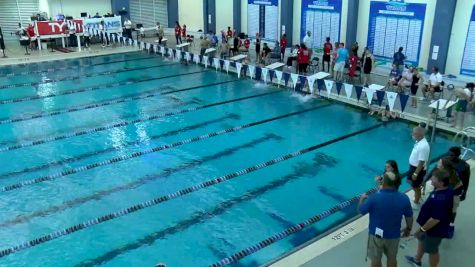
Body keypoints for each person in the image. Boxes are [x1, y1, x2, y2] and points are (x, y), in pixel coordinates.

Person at [359, 171, 413, 267]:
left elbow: (361, 211)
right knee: (392, 259)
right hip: (394, 235)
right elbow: (409, 217)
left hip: (376, 236)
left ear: (383, 183)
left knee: (375, 259)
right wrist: (408, 228)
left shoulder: (374, 198)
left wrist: (362, 199)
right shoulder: (404, 198)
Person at [406, 170, 453, 267]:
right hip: (426, 227)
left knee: (432, 251)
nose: (431, 178)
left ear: (441, 182)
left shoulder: (441, 199)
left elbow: (435, 219)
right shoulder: (443, 189)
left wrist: (422, 229)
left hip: (434, 230)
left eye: (434, 178)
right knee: (421, 241)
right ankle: (417, 260)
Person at [407, 126, 430, 208]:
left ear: (420, 135)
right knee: (411, 183)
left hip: (417, 169)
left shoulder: (424, 146)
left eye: (414, 133)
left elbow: (421, 162)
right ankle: (418, 196)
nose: (412, 134)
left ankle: (416, 202)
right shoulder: (418, 141)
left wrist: (416, 174)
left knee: (416, 186)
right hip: (413, 167)